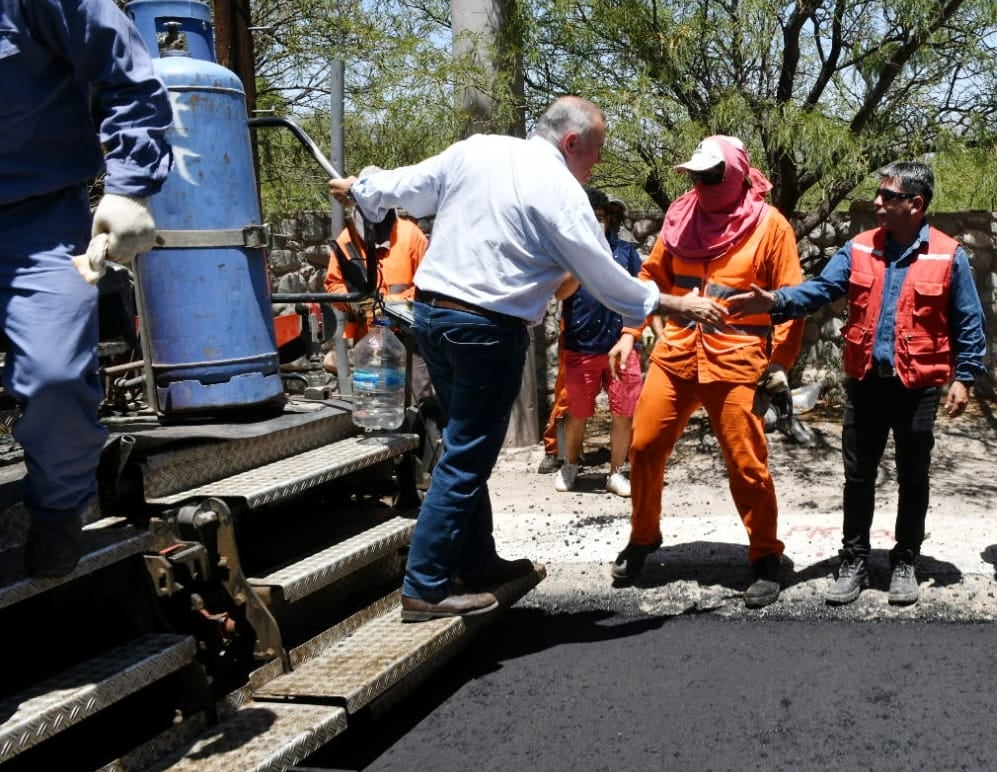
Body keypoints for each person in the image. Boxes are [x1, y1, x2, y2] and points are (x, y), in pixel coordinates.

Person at [330, 97, 724, 622]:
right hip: (485, 331)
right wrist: (674, 303)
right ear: (572, 142)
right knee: (467, 456)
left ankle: (479, 561)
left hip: (433, 319)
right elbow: (607, 280)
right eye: (598, 150)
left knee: (462, 447)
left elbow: (405, 186)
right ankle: (425, 585)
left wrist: (362, 187)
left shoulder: (479, 150)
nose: (598, 163)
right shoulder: (562, 192)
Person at [729, 160, 986, 607]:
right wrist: (775, 301)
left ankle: (905, 560)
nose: (878, 203)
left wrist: (964, 378)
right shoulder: (860, 248)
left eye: (889, 196)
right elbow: (820, 290)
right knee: (858, 477)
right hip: (865, 383)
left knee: (913, 477)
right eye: (880, 195)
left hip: (917, 388)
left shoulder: (949, 254)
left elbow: (969, 322)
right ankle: (854, 560)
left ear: (916, 203)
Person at [1, 0, 172, 577]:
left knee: (53, 375)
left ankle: (56, 508)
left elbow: (126, 76)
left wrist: (129, 187)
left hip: (37, 218)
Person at [611, 135, 803, 608]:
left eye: (712, 175)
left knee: (745, 462)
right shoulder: (681, 216)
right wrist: (629, 333)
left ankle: (764, 555)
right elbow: (650, 280)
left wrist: (780, 362)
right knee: (644, 446)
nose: (702, 182)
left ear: (735, 174)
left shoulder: (770, 226)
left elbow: (792, 300)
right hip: (677, 355)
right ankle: (643, 536)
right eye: (696, 174)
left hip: (738, 362)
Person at [552, 189, 642, 498]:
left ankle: (616, 472)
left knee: (624, 413)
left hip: (622, 347)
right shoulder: (567, 253)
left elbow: (637, 295)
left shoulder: (626, 253)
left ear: (609, 219)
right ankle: (571, 464)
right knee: (577, 412)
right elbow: (560, 294)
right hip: (582, 346)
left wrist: (633, 335)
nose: (595, 222)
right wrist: (581, 263)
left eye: (600, 217)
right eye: (589, 217)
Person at [320, 201, 428, 373]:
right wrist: (357, 303)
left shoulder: (411, 235)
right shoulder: (347, 240)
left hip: (410, 338)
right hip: (368, 339)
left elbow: (427, 289)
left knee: (416, 395)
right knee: (373, 393)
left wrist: (388, 304)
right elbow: (334, 285)